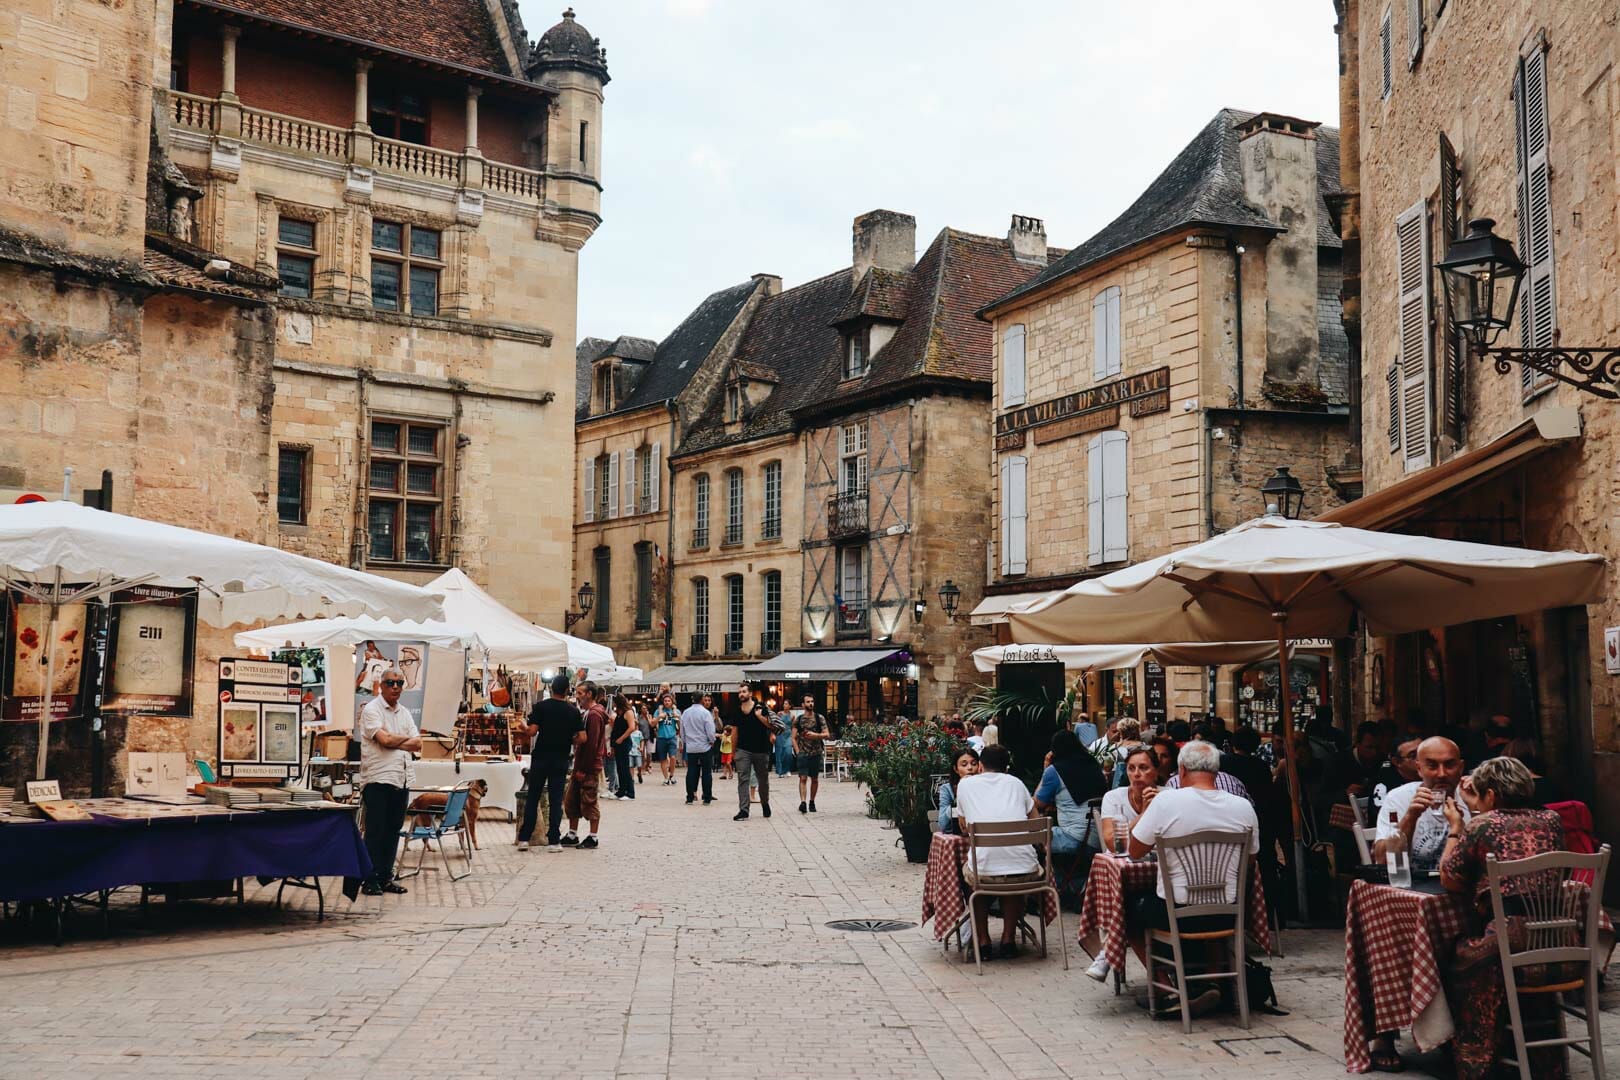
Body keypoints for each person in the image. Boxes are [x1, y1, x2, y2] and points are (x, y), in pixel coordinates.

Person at [1432, 757, 1576, 1079]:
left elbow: (1450, 879)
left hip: (1508, 948)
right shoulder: (1552, 820)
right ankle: (1537, 1053)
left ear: (1492, 796)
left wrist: (1457, 828)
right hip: (1561, 945)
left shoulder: (1483, 824)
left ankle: (1475, 1058)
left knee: (1451, 956)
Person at [1125, 739, 1259, 1017]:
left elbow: (1134, 851)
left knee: (1126, 908)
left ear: (1182, 770)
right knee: (1205, 907)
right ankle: (1214, 982)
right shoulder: (1243, 807)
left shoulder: (1166, 801)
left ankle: (1165, 989)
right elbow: (1250, 864)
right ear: (1216, 770)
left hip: (1177, 912)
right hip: (1228, 913)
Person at [953, 745, 1040, 961]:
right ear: (1006, 768)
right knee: (1012, 871)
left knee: (977, 876)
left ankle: (983, 941)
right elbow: (1036, 823)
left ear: (980, 765)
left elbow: (963, 827)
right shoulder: (1017, 784)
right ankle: (1008, 939)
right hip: (1025, 869)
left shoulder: (966, 785)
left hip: (984, 869)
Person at [349, 668, 421, 897]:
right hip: (379, 779)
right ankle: (369, 880)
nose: (396, 687)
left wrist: (395, 741)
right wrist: (400, 740)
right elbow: (384, 739)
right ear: (381, 685)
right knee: (375, 831)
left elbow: (418, 743)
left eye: (400, 683)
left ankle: (385, 876)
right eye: (391, 683)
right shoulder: (372, 710)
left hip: (401, 778)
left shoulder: (404, 713)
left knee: (393, 830)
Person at [1374, 736, 1468, 872]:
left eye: (1449, 765)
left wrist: (1475, 809)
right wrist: (1410, 817)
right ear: (1419, 768)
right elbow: (1382, 861)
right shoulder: (1399, 798)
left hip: (1460, 886)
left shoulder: (1471, 796)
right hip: (1412, 886)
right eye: (1432, 766)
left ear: (1461, 767)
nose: (1441, 774)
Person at [519, 674, 584, 852]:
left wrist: (523, 726)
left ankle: (525, 838)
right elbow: (583, 737)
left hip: (541, 757)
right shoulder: (573, 711)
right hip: (561, 758)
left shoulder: (540, 707)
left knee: (534, 796)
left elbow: (532, 732)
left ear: (552, 688)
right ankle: (554, 840)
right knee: (556, 799)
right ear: (566, 691)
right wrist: (570, 740)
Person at [1033, 729, 1107, 855]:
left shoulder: (1054, 770)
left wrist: (1046, 766)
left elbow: (1037, 803)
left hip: (1073, 839)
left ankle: (1049, 874)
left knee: (1029, 835)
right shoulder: (1093, 764)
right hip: (1100, 839)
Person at [561, 680, 607, 849]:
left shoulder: (594, 715)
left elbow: (592, 744)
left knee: (589, 800)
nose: (577, 696)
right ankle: (572, 834)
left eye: (580, 693)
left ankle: (593, 836)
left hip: (588, 766)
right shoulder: (589, 713)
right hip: (581, 764)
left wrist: (583, 768)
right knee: (571, 800)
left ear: (589, 694)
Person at [724, 682, 775, 820]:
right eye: (740, 692)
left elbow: (771, 725)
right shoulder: (736, 711)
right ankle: (744, 810)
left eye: (744, 691)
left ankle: (765, 803)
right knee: (743, 780)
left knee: (763, 780)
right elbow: (735, 732)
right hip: (743, 750)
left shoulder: (761, 707)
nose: (741, 694)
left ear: (750, 693)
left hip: (761, 749)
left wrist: (759, 716)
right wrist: (733, 752)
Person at [1098, 746, 1158, 853]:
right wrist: (1143, 814)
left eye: (1143, 768)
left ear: (1156, 772)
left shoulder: (1167, 796)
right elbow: (1112, 844)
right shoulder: (1113, 798)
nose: (1136, 774)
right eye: (1131, 768)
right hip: (1122, 863)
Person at [793, 694, 829, 813]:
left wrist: (816, 736)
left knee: (814, 779)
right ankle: (803, 802)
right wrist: (798, 751)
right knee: (802, 778)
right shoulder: (798, 720)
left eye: (812, 701)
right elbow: (793, 737)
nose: (810, 704)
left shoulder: (820, 718)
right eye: (808, 702)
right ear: (803, 705)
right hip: (803, 753)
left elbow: (826, 734)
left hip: (816, 752)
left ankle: (812, 801)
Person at [679, 692, 717, 804]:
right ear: (701, 699)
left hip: (691, 746)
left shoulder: (685, 713)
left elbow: (682, 730)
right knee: (706, 772)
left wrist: (685, 741)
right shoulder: (705, 713)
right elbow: (710, 730)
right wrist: (712, 741)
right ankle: (706, 797)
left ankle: (690, 796)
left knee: (691, 771)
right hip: (704, 746)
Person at [936, 746, 980, 834]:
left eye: (974, 764)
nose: (970, 768)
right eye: (964, 765)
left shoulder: (984, 787)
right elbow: (942, 824)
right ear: (956, 769)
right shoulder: (947, 789)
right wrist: (959, 797)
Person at [773, 705, 796, 777]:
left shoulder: (792, 715)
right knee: (779, 752)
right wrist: (773, 734)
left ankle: (787, 769)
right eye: (784, 704)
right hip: (780, 734)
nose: (784, 705)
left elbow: (794, 726)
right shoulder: (779, 714)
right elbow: (775, 724)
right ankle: (780, 772)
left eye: (786, 704)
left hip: (788, 735)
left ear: (789, 706)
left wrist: (794, 736)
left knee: (788, 752)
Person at [634, 703, 654, 783]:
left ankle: (648, 765)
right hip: (641, 737)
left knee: (649, 753)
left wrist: (648, 717)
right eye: (643, 708)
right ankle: (642, 768)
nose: (645, 710)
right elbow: (637, 725)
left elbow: (651, 725)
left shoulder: (649, 716)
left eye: (646, 708)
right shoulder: (638, 717)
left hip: (649, 736)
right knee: (642, 754)